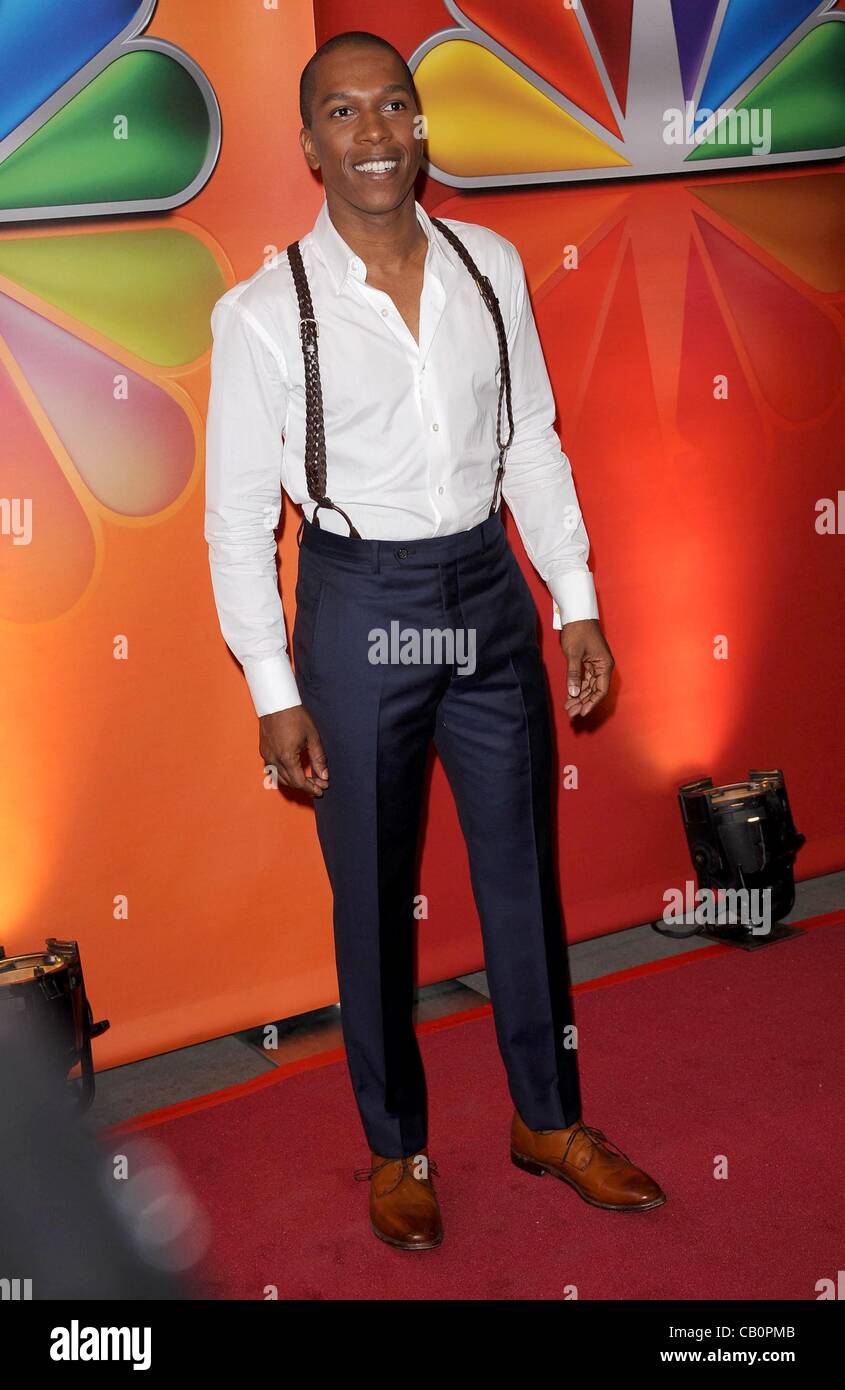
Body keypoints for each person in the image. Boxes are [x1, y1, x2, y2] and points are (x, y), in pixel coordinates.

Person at [204, 29, 665, 1251]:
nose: (373, 134)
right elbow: (237, 519)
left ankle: (547, 1120)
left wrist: (570, 596)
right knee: (368, 895)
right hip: (359, 606)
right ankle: (394, 1143)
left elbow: (531, 442)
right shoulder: (261, 313)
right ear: (309, 145)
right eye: (343, 114)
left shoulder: (490, 264)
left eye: (392, 107)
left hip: (487, 592)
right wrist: (270, 682)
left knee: (522, 871)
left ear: (422, 125)